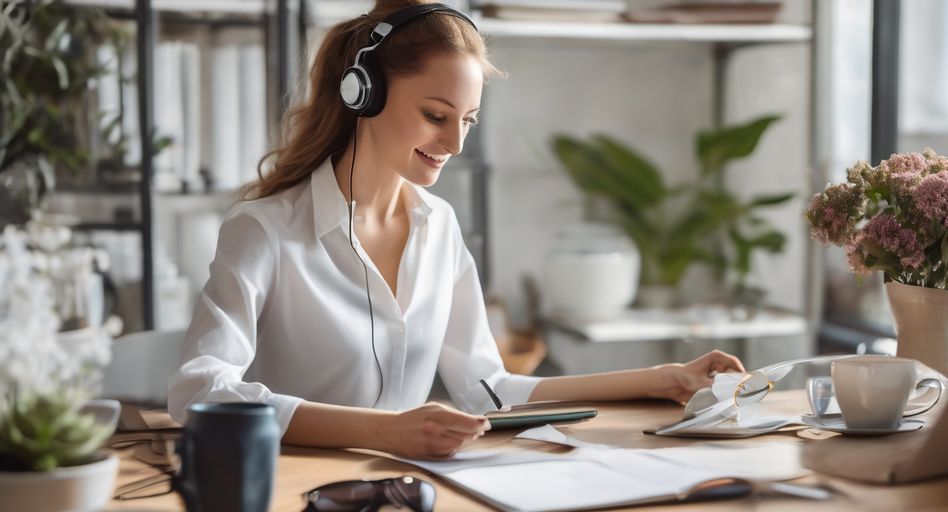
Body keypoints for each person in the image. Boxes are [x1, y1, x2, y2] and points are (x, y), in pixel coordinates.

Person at [168, 0, 745, 460]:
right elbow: (199, 389)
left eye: (467, 120)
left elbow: (487, 386)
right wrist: (385, 432)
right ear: (361, 93)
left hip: (409, 484)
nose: (456, 144)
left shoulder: (438, 225)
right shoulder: (264, 230)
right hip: (291, 485)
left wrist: (662, 377)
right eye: (435, 115)